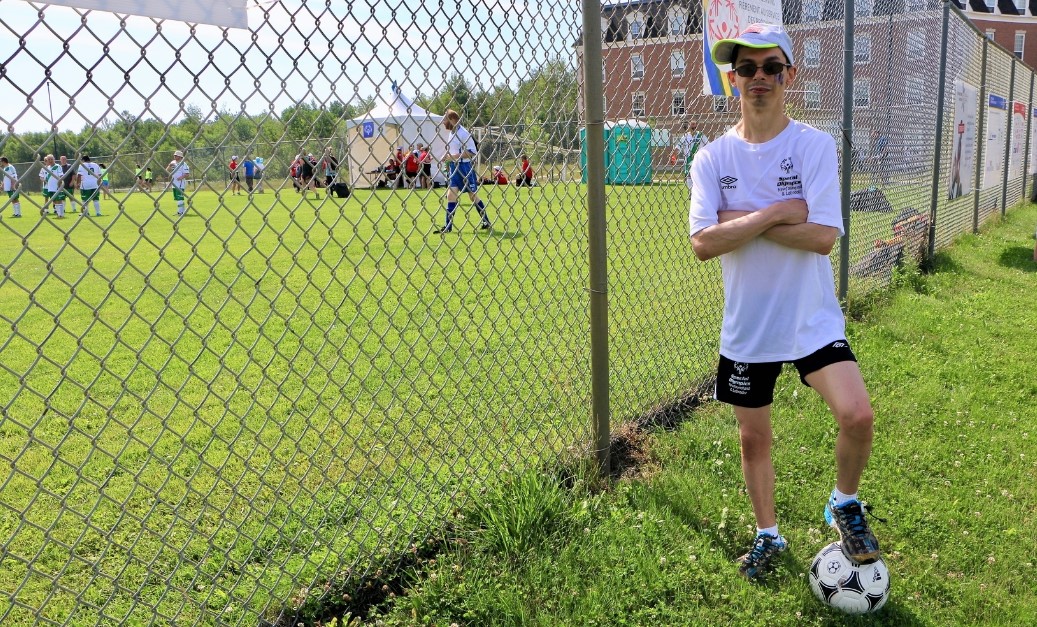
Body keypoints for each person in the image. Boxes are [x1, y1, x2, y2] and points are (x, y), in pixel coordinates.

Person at [690, 23, 881, 580]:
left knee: (858, 415)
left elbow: (823, 236)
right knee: (754, 438)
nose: (759, 78)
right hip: (749, 324)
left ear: (789, 75)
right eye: (746, 68)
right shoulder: (711, 158)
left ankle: (844, 502)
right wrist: (777, 211)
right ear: (732, 79)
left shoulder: (814, 146)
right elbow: (703, 243)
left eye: (771, 67)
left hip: (810, 318)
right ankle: (767, 535)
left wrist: (738, 221)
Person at [435, 109, 490, 233]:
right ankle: (448, 227)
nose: (443, 122)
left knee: (472, 196)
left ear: (453, 120)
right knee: (450, 195)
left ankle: (486, 221)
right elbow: (453, 150)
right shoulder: (452, 132)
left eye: (445, 119)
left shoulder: (464, 133)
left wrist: (453, 157)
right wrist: (446, 156)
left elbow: (471, 152)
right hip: (454, 167)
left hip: (464, 168)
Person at [673, 120, 709, 191]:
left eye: (694, 124)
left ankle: (700, 191)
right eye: (691, 124)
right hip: (688, 159)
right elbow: (678, 146)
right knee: (689, 176)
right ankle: (691, 192)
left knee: (699, 176)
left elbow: (708, 145)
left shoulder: (701, 135)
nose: (693, 126)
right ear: (688, 125)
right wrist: (674, 155)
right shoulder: (685, 136)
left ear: (696, 126)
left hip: (699, 160)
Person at [166, 150, 189, 216]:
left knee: (180, 197)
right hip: (174, 182)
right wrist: (169, 166)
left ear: (180, 156)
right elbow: (166, 170)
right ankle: (182, 211)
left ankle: (180, 212)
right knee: (177, 198)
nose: (174, 156)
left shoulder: (183, 164)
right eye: (174, 155)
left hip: (180, 183)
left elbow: (187, 174)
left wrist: (180, 178)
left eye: (176, 155)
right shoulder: (172, 162)